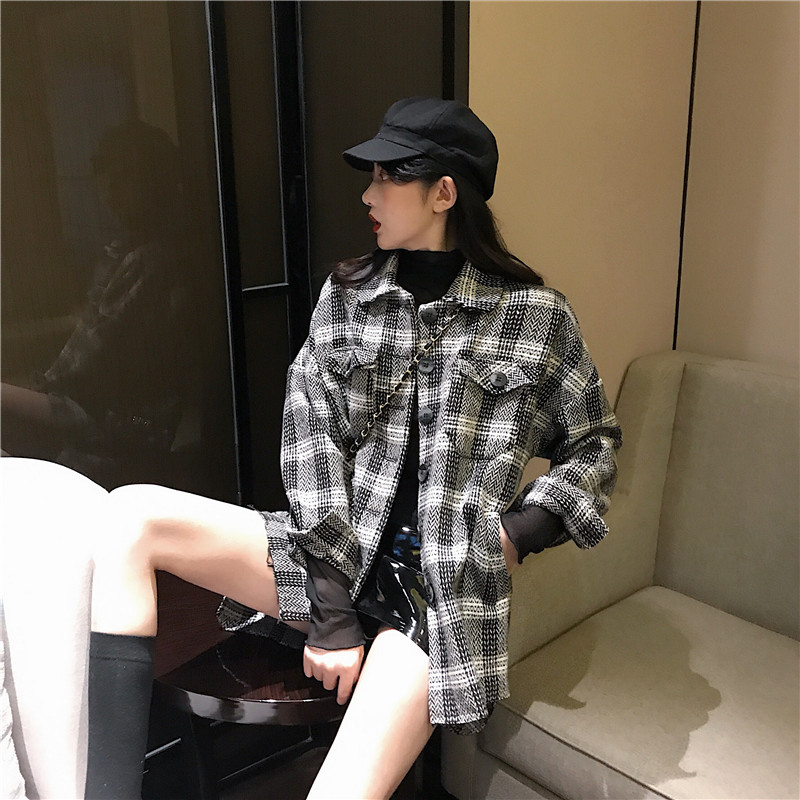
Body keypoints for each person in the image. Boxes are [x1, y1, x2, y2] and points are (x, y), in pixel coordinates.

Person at [16, 97, 622, 799]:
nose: (368, 195)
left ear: (444, 193)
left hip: (440, 598)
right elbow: (311, 446)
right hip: (333, 558)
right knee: (128, 518)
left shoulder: (536, 318)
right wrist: (332, 619)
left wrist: (518, 532)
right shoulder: (348, 296)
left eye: (387, 177)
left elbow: (595, 443)